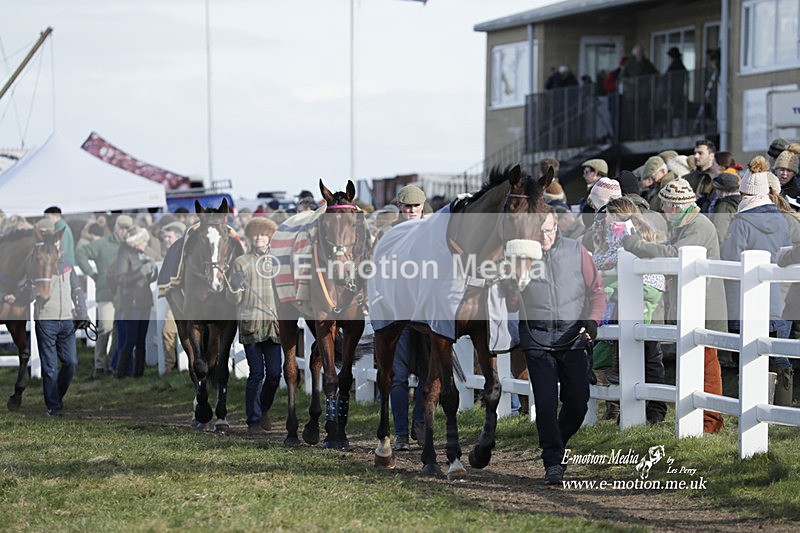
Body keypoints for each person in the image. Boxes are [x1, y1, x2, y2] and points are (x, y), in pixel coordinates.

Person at [621, 178, 726, 433]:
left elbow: (673, 254)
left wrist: (636, 245)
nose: (664, 210)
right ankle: (700, 419)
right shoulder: (687, 224)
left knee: (706, 364)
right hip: (693, 306)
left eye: (666, 205)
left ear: (675, 207)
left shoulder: (698, 226)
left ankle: (709, 421)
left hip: (703, 308)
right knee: (697, 363)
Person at [514, 209, 605, 485]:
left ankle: (556, 440)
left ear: (557, 227)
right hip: (537, 340)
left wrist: (592, 321)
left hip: (572, 339)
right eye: (540, 231)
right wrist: (514, 280)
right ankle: (553, 461)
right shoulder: (523, 257)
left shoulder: (577, 251)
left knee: (578, 403)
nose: (545, 236)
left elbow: (597, 291)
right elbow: (508, 301)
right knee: (545, 402)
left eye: (550, 230)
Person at [720, 157, 793, 404]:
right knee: (779, 351)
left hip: (746, 298)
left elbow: (729, 258)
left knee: (748, 352)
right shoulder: (782, 220)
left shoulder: (741, 222)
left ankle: (752, 401)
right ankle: (782, 401)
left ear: (745, 193)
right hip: (775, 297)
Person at [591, 197, 667, 424]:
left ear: (613, 215)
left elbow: (616, 256)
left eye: (606, 214)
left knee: (636, 346)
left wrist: (593, 260)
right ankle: (649, 410)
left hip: (638, 287)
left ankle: (642, 406)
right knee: (647, 350)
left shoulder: (620, 228)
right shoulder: (641, 224)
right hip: (650, 287)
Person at [378, 184, 428, 450]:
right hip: (397, 314)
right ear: (400, 207)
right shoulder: (389, 234)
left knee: (426, 374)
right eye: (407, 206)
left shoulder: (430, 231)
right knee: (397, 376)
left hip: (424, 313)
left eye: (415, 206)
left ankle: (419, 424)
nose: (411, 210)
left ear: (422, 207)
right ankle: (399, 433)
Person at [227, 217, 282, 434]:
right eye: (255, 234)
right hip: (251, 324)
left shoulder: (278, 261)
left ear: (269, 237)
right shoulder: (241, 262)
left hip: (274, 324)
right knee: (256, 373)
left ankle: (264, 409)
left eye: (263, 234)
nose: (259, 238)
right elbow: (234, 300)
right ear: (250, 237)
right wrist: (235, 285)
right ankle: (253, 421)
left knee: (275, 374)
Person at [33, 218, 89, 416]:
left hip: (66, 319)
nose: (55, 243)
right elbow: (29, 289)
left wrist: (82, 311)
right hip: (46, 319)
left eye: (57, 240)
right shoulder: (36, 261)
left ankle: (54, 395)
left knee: (71, 362)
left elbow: (77, 288)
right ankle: (54, 407)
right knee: (49, 367)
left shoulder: (67, 263)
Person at [75, 214, 135, 378]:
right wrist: (92, 274)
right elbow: (80, 253)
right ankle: (100, 365)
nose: (123, 231)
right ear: (115, 227)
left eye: (127, 228)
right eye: (121, 227)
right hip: (106, 293)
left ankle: (111, 363)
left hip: (125, 295)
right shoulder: (102, 244)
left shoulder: (131, 245)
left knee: (119, 329)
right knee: (106, 327)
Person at [113, 227, 158, 378]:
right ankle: (120, 373)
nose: (146, 244)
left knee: (141, 340)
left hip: (144, 301)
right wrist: (141, 272)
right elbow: (121, 279)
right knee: (130, 340)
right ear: (137, 242)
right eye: (144, 241)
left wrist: (152, 272)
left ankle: (139, 374)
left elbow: (148, 279)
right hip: (131, 303)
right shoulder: (124, 255)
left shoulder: (142, 255)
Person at [159, 221, 186, 372]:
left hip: (193, 300)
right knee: (168, 331)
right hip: (174, 300)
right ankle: (170, 367)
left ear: (178, 237)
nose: (166, 240)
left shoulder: (188, 253)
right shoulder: (168, 255)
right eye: (165, 237)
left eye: (169, 236)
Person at [684, 139, 716, 211]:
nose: (696, 156)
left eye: (700, 153)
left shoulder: (717, 179)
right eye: (695, 153)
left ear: (711, 156)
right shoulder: (688, 178)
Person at [664, 47, 687, 132]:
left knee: (675, 111)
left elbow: (666, 77)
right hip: (677, 92)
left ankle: (676, 130)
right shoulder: (679, 65)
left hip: (675, 93)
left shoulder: (675, 65)